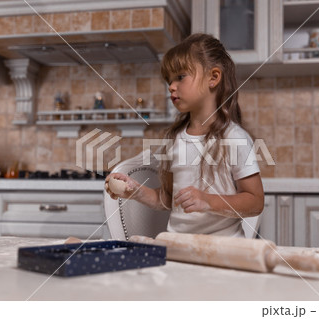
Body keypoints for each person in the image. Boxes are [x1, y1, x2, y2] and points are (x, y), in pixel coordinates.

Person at [105, 33, 264, 237]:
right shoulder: (175, 139)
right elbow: (167, 198)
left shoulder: (234, 138)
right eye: (169, 80)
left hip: (224, 252)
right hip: (178, 249)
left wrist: (208, 201)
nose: (171, 86)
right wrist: (134, 190)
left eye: (180, 77)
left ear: (213, 78)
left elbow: (255, 201)